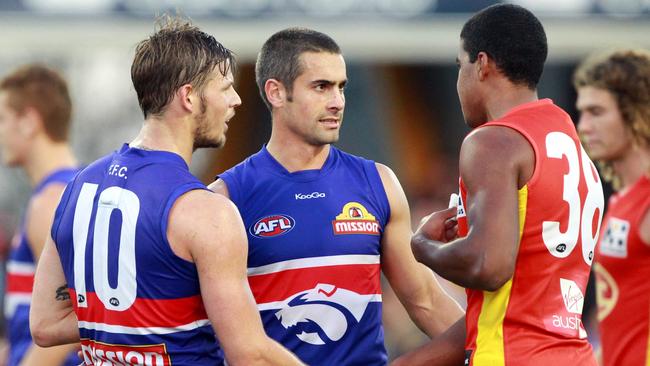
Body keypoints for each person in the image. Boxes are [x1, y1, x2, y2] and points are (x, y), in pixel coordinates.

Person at [29, 16, 303, 366]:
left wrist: (136, 322)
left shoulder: (78, 187)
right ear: (188, 97)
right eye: (225, 88)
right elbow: (250, 354)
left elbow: (46, 324)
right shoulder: (206, 211)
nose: (236, 100)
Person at [209, 27, 463, 365]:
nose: (337, 102)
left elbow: (425, 300)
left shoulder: (379, 182)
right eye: (321, 87)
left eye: (341, 87)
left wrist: (488, 350)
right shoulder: (227, 197)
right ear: (276, 92)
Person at [402, 4, 605, 365]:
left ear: (482, 64)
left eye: (459, 66)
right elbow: (506, 310)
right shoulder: (571, 147)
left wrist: (421, 247)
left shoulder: (492, 142)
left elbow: (489, 267)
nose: (458, 82)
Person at [574, 49, 650, 366]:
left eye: (596, 112)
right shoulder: (622, 200)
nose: (583, 126)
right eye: (582, 113)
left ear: (635, 113)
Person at [0, 65, 80, 366]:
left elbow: (73, 316)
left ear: (29, 122)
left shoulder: (50, 202)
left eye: (3, 119)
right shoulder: (65, 192)